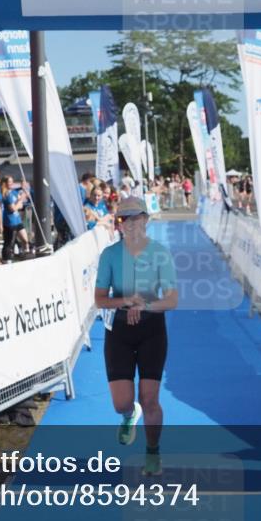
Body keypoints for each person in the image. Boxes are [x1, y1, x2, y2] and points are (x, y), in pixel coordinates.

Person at [93, 196, 178, 477]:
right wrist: (127, 302)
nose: (129, 224)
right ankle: (130, 415)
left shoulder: (160, 253)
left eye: (135, 218)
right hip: (118, 332)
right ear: (118, 225)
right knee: (122, 403)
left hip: (152, 330)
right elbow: (100, 300)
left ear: (146, 220)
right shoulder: (109, 255)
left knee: (150, 397)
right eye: (123, 219)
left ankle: (153, 452)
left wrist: (144, 306)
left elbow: (172, 299)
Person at [1, 176, 30, 262]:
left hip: (17, 220)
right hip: (10, 222)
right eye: (9, 182)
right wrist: (18, 203)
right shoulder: (6, 194)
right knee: (9, 242)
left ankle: (26, 254)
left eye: (12, 181)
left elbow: (20, 204)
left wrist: (21, 198)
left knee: (25, 240)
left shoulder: (13, 192)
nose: (11, 183)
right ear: (5, 183)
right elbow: (12, 209)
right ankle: (6, 259)